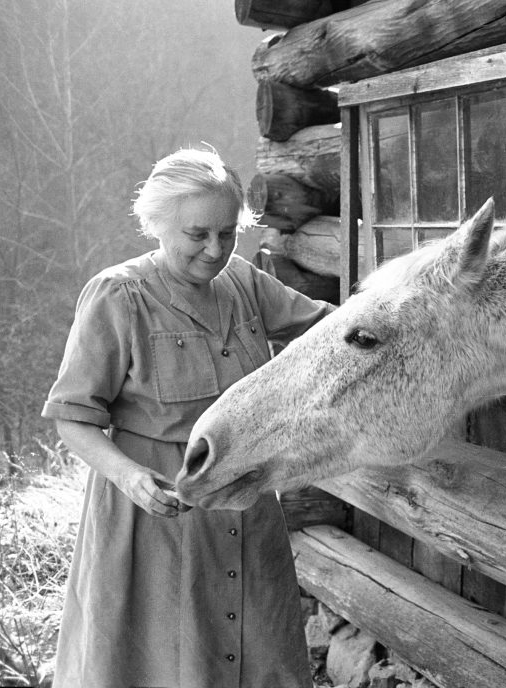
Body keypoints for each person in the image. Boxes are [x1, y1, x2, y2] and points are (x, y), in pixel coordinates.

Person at [42, 148, 334, 688]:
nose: (215, 249)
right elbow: (73, 418)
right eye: (197, 234)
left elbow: (333, 334)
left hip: (245, 509)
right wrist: (128, 477)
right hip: (153, 518)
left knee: (259, 655)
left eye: (227, 233)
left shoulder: (246, 284)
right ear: (157, 225)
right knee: (152, 664)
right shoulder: (118, 296)